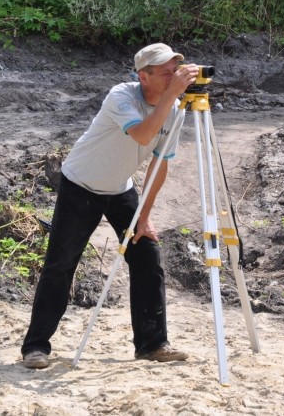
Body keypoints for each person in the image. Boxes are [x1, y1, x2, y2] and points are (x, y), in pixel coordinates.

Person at [21, 43, 200, 369]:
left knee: (146, 253)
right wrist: (172, 95)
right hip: (81, 184)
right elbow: (144, 136)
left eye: (176, 69)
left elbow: (161, 164)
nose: (174, 76)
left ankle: (152, 343)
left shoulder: (175, 110)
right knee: (61, 263)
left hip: (120, 188)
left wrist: (143, 218)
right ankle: (36, 346)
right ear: (143, 76)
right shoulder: (122, 96)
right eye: (166, 72)